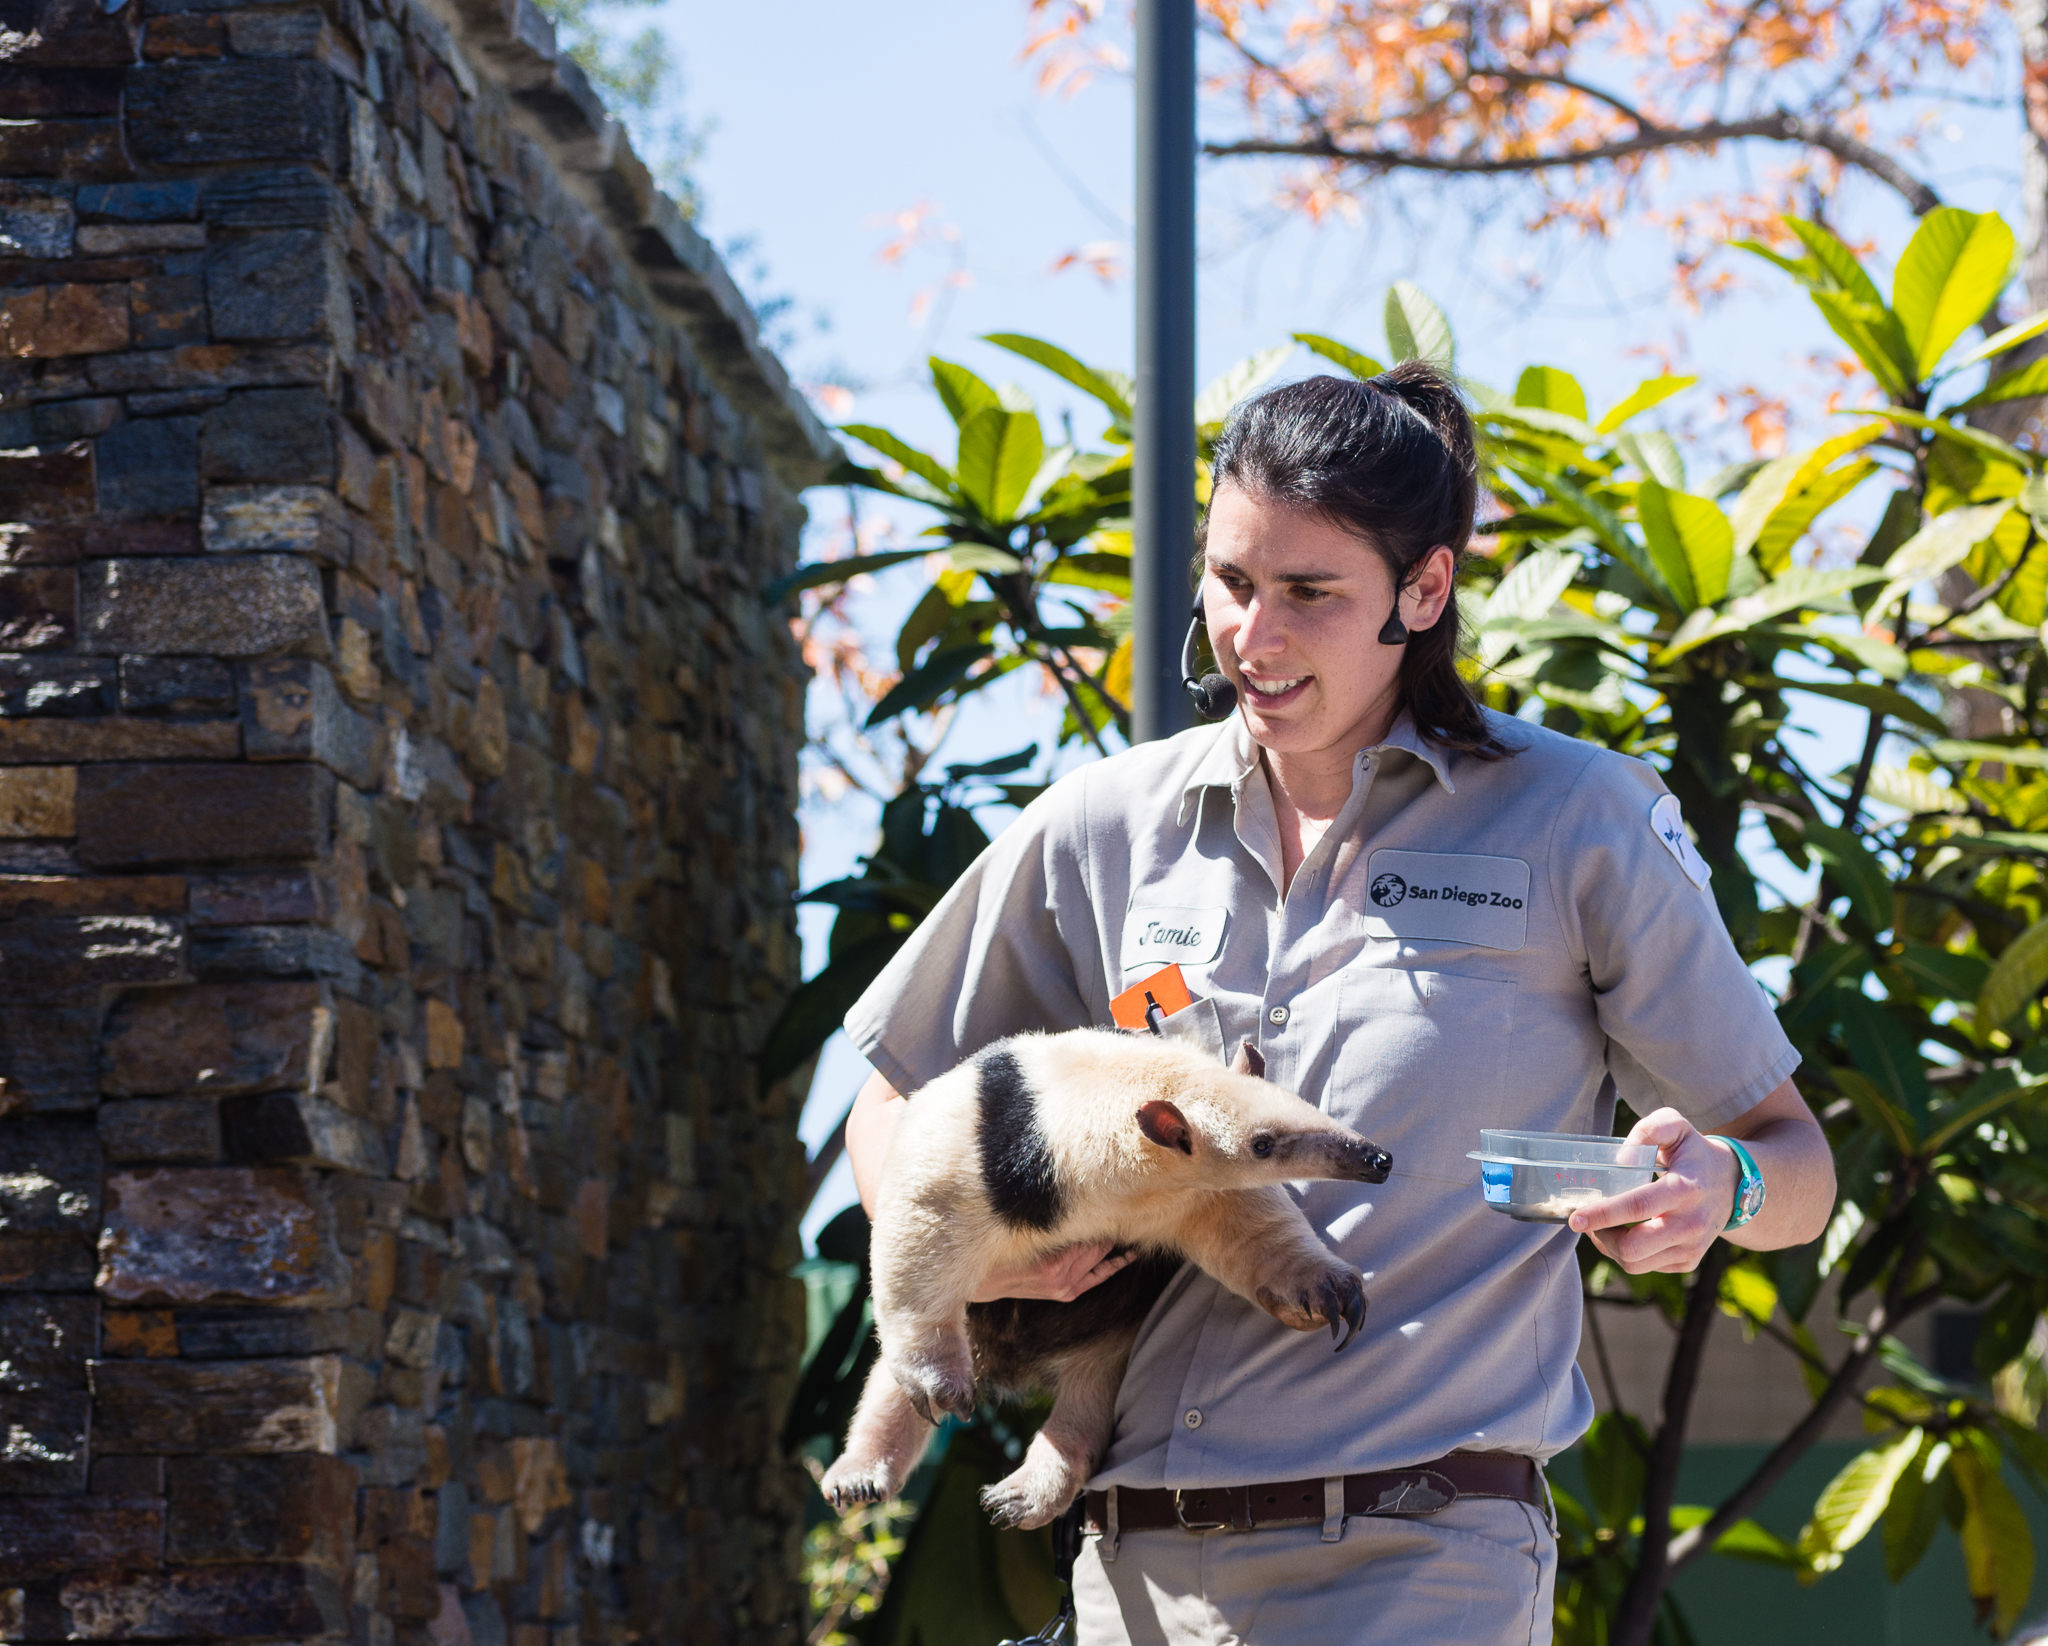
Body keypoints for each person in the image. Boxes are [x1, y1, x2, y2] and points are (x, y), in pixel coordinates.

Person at [839, 365, 1837, 1645]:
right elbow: (895, 1104)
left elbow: (1795, 1159)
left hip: (1424, 1564)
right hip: (1135, 1572)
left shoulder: (1576, 819)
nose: (1252, 635)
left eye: (1310, 592)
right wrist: (991, 1248)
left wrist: (1720, 1191)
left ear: (1422, 590)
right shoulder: (1102, 827)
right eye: (1231, 581)